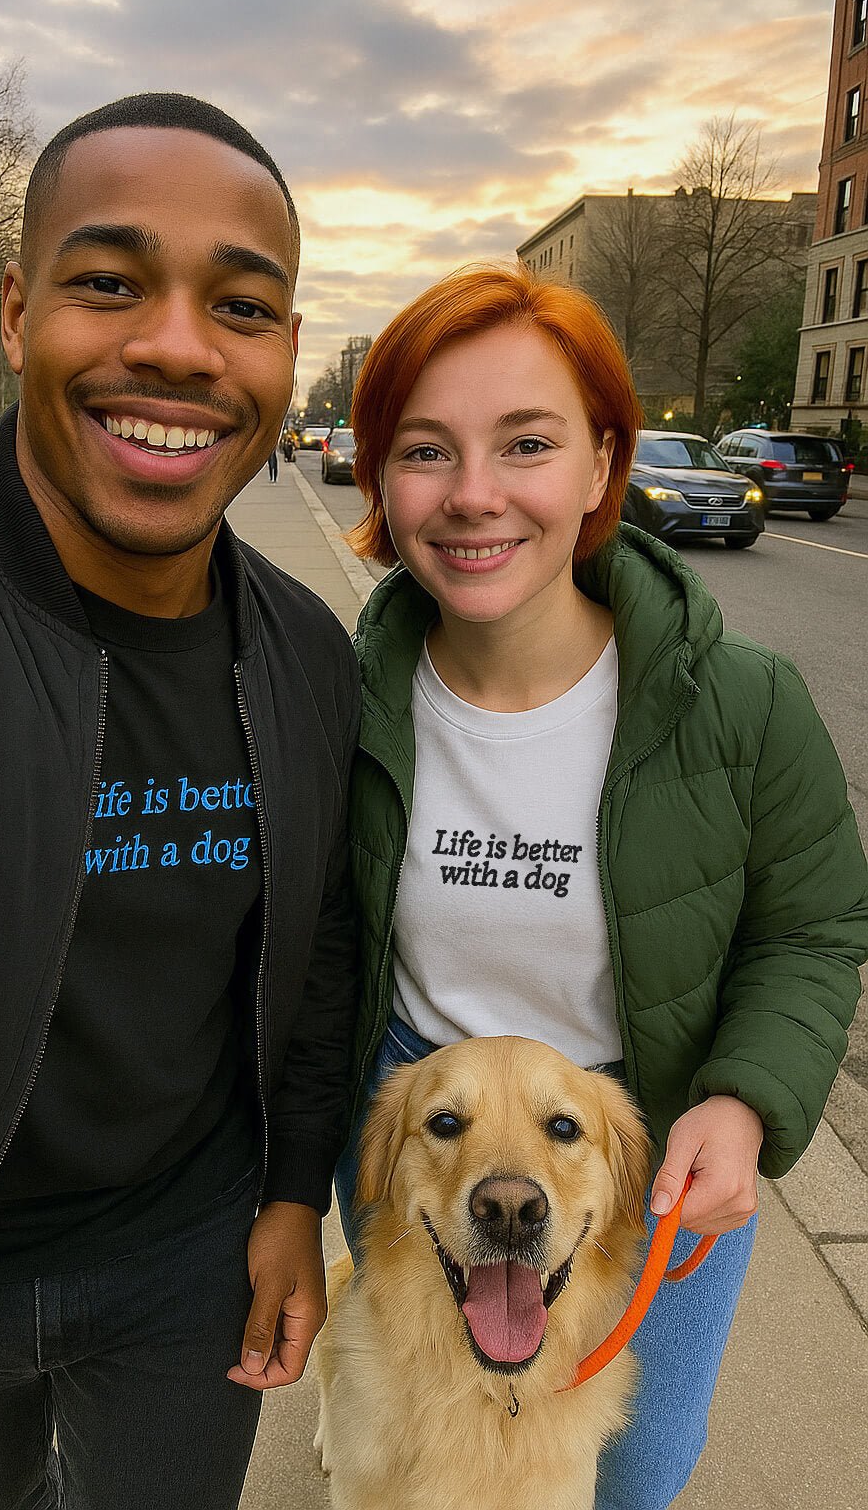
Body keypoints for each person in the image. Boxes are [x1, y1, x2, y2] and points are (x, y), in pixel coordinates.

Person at [0, 93, 359, 1510]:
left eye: (241, 306)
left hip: (186, 1267)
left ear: (287, 357)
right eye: (110, 283)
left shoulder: (310, 657)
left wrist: (292, 1196)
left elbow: (315, 965)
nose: (179, 347)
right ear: (16, 311)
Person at [335, 265, 868, 1510]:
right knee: (405, 1447)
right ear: (379, 480)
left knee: (628, 1474)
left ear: (598, 464)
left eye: (526, 442)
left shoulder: (746, 703)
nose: (474, 495)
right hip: (420, 1102)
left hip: (643, 1127)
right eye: (425, 449)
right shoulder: (337, 697)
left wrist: (742, 1102)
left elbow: (816, 923)